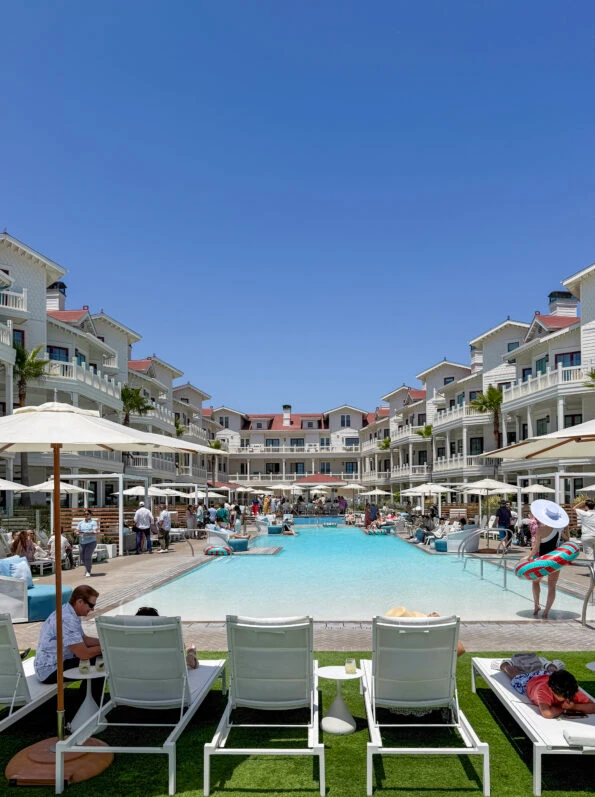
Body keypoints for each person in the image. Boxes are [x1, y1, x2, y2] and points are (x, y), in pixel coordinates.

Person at [34, 584, 102, 684]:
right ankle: (88, 698)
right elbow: (83, 654)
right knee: (102, 661)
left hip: (50, 665)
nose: (92, 609)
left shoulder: (70, 611)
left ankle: (89, 697)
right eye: (91, 605)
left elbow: (83, 639)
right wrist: (106, 648)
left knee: (100, 657)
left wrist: (105, 642)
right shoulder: (67, 619)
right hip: (50, 670)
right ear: (80, 601)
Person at [523, 499, 570, 619]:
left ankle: (536, 605)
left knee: (535, 582)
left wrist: (528, 557)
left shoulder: (540, 530)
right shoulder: (559, 529)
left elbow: (535, 548)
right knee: (552, 586)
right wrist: (567, 528)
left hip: (542, 560)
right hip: (555, 561)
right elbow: (568, 540)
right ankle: (546, 612)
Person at [500, 663, 595, 718]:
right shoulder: (543, 691)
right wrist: (563, 707)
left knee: (552, 673)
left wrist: (574, 706)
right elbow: (547, 713)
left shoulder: (570, 689)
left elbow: (593, 707)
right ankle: (506, 665)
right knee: (517, 677)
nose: (568, 698)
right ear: (552, 690)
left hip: (547, 675)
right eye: (564, 696)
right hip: (529, 683)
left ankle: (550, 665)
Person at [75, 508, 100, 577]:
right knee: (82, 557)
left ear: (90, 515)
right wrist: (77, 533)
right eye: (85, 514)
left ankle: (88, 571)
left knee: (87, 556)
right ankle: (87, 568)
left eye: (87, 514)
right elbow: (77, 530)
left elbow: (95, 531)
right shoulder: (81, 523)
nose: (86, 515)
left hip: (91, 542)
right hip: (82, 542)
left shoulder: (93, 522)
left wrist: (93, 532)